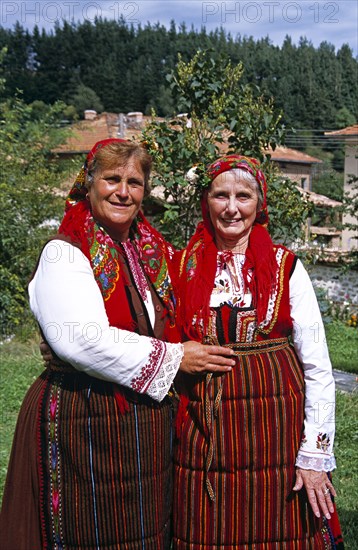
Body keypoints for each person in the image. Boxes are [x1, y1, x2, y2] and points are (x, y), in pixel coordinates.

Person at [0, 139, 234, 550]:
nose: (123, 191)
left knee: (142, 532)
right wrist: (176, 356)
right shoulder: (65, 253)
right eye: (111, 179)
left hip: (140, 427)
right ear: (88, 184)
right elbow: (81, 341)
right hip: (81, 420)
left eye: (135, 182)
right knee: (88, 531)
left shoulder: (149, 251)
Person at [172, 155, 344, 549]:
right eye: (221, 195)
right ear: (207, 201)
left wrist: (314, 456)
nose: (232, 207)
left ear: (259, 203)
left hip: (278, 441)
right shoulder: (182, 265)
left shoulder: (286, 268)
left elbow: (317, 366)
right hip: (206, 440)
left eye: (243, 196)